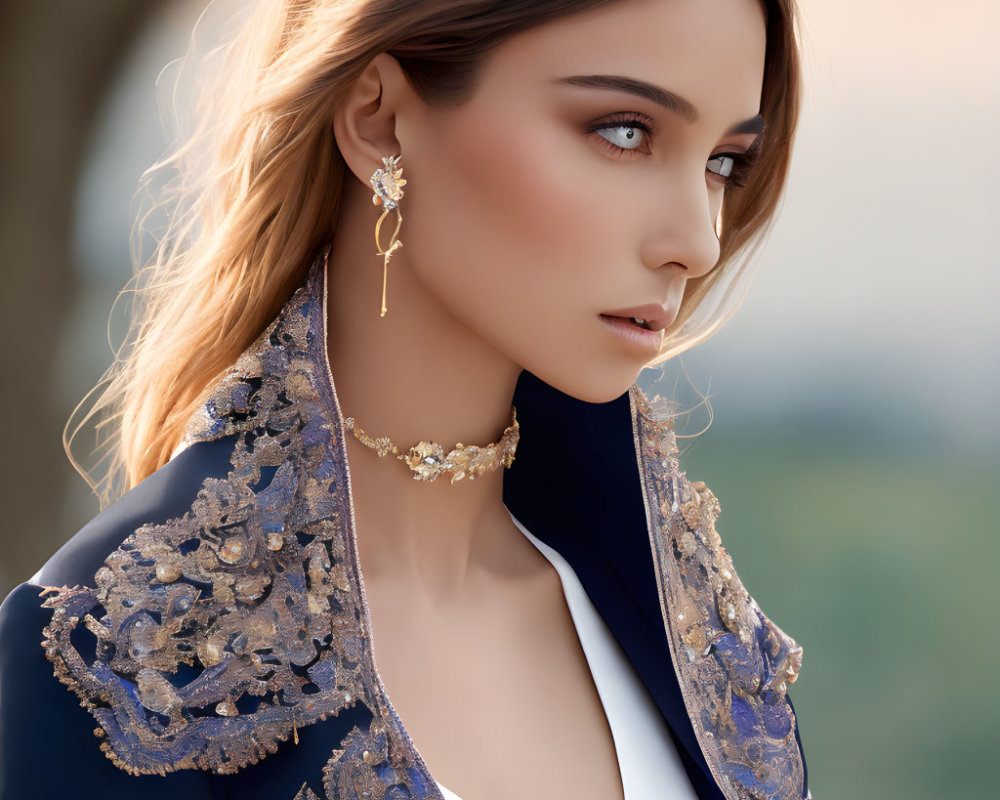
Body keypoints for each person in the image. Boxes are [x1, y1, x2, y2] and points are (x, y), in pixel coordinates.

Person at [0, 0, 811, 798]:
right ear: (381, 121)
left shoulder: (702, 637)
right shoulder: (113, 659)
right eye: (624, 131)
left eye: (722, 162)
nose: (698, 242)